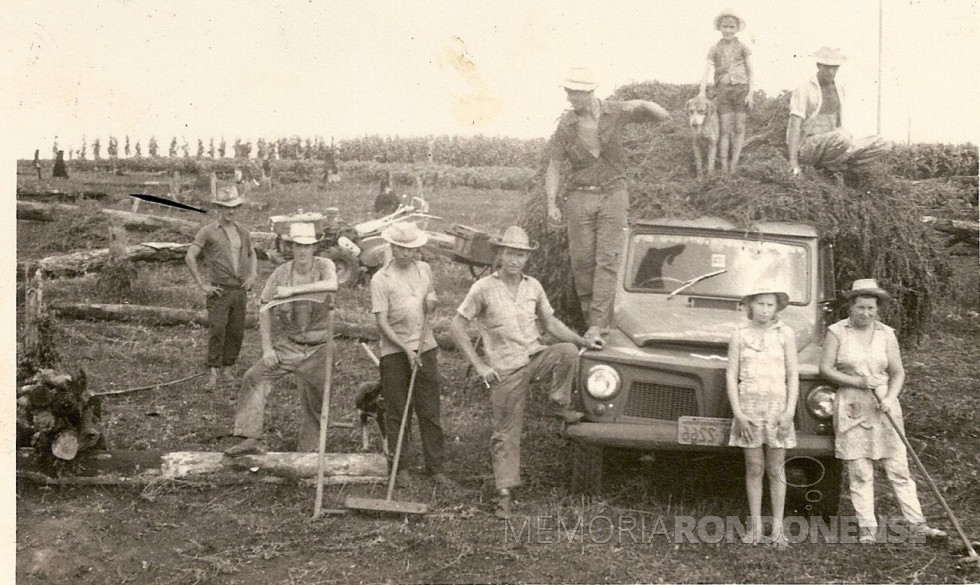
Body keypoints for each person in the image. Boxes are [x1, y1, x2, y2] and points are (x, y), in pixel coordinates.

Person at [449, 226, 604, 519]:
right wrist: (481, 366)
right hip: (505, 369)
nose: (515, 261)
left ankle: (557, 403)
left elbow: (551, 323)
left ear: (527, 258)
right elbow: (456, 327)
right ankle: (504, 494)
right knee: (507, 433)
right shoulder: (483, 288)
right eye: (510, 254)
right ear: (499, 254)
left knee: (567, 352)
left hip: (535, 358)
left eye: (520, 255)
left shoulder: (533, 286)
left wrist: (583, 341)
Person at [545, 67, 671, 347]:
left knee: (608, 259)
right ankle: (595, 323)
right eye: (568, 92)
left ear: (588, 92)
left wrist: (643, 103)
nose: (569, 98)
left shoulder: (616, 112)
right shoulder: (566, 126)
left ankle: (596, 326)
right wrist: (551, 202)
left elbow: (662, 117)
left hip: (614, 194)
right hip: (579, 197)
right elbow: (554, 166)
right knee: (582, 263)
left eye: (574, 93)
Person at [819, 279, 947, 544]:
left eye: (871, 309)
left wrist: (890, 397)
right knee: (861, 471)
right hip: (853, 406)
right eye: (861, 307)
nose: (866, 313)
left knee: (898, 468)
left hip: (884, 407)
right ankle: (867, 528)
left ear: (878, 310)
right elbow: (826, 369)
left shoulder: (887, 333)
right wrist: (856, 382)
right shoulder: (837, 332)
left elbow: (898, 372)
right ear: (850, 307)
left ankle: (917, 525)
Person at [224, 222, 338, 456]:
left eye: (307, 246)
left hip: (320, 348)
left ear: (315, 247)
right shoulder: (281, 273)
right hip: (291, 345)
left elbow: (332, 285)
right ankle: (249, 437)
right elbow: (265, 307)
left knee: (316, 403)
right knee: (254, 378)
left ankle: (308, 452)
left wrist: (292, 292)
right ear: (291, 246)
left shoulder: (325, 266)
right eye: (298, 246)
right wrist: (267, 349)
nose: (303, 251)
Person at [370, 222, 453, 487]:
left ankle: (435, 467)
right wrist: (406, 350)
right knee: (397, 409)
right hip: (395, 351)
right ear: (392, 248)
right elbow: (382, 323)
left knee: (429, 409)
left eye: (410, 249)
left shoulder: (424, 269)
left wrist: (432, 302)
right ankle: (400, 465)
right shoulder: (380, 279)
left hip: (425, 347)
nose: (406, 254)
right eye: (400, 248)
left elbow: (430, 300)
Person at [726, 284, 798, 549]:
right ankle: (755, 528)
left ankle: (778, 530)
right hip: (749, 408)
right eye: (760, 304)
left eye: (770, 305)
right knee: (754, 466)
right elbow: (731, 376)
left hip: (777, 408)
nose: (765, 310)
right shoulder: (739, 334)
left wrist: (789, 412)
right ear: (750, 306)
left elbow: (793, 375)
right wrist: (739, 414)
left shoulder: (785, 334)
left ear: (776, 308)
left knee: (776, 468)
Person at [186, 186, 257, 389]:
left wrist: (252, 275)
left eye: (234, 207)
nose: (231, 212)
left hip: (239, 289)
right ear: (218, 208)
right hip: (219, 289)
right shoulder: (208, 232)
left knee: (236, 330)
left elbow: (252, 254)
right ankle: (213, 372)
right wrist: (202, 285)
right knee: (218, 328)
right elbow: (190, 256)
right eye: (226, 208)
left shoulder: (242, 231)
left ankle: (227, 368)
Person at [786, 47, 891, 176]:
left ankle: (842, 165)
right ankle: (830, 167)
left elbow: (837, 121)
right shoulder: (804, 89)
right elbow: (794, 126)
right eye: (827, 67)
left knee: (883, 143)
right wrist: (793, 163)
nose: (831, 72)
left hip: (833, 144)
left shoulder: (840, 88)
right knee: (843, 136)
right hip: (808, 147)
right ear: (819, 65)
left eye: (835, 68)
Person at [699, 8, 754, 173]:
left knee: (739, 128)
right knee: (724, 129)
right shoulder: (714, 48)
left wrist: (750, 93)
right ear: (719, 27)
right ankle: (723, 166)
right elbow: (706, 70)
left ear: (737, 29)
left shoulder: (743, 47)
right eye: (725, 26)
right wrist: (702, 91)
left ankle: (733, 165)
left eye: (731, 27)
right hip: (723, 92)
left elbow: (751, 71)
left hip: (741, 91)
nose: (728, 30)